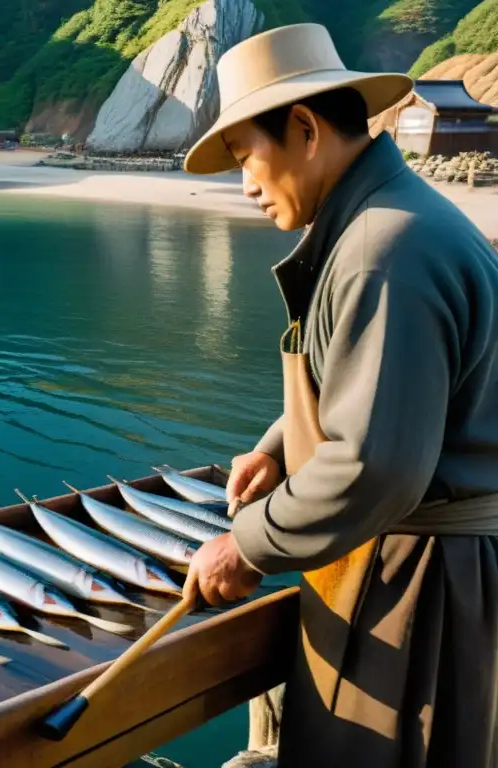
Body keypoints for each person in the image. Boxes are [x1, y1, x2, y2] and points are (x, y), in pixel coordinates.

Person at [181, 23, 498, 768]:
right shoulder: (394, 221)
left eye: (245, 156)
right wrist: (275, 447)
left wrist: (248, 545)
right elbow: (382, 382)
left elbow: (376, 466)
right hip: (423, 565)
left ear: (304, 128)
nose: (245, 183)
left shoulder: (380, 252)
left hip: (418, 584)